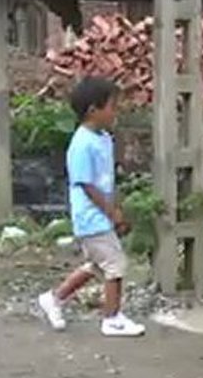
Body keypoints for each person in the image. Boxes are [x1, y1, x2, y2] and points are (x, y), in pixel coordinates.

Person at [37, 76, 145, 337]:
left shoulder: (103, 138)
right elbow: (87, 184)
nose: (115, 112)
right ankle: (112, 318)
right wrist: (111, 212)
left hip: (100, 215)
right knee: (115, 264)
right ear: (93, 110)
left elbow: (106, 179)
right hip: (91, 217)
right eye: (112, 107)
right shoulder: (82, 143)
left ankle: (55, 298)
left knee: (98, 264)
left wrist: (115, 207)